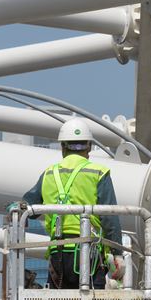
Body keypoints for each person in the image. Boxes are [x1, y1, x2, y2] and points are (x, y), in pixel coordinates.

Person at [18, 118, 123, 290]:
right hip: (90, 253)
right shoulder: (98, 173)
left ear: (62, 147)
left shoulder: (49, 174)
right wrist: (117, 254)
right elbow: (109, 219)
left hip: (58, 254)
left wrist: (18, 206)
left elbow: (30, 206)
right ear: (88, 147)